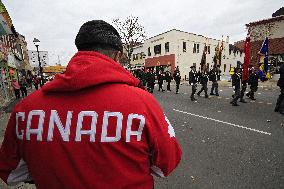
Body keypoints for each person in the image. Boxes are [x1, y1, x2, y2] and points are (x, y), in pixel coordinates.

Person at [0, 20, 182, 189]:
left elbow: (11, 173)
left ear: (79, 51)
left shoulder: (27, 108)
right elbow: (166, 164)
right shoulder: (143, 103)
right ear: (118, 55)